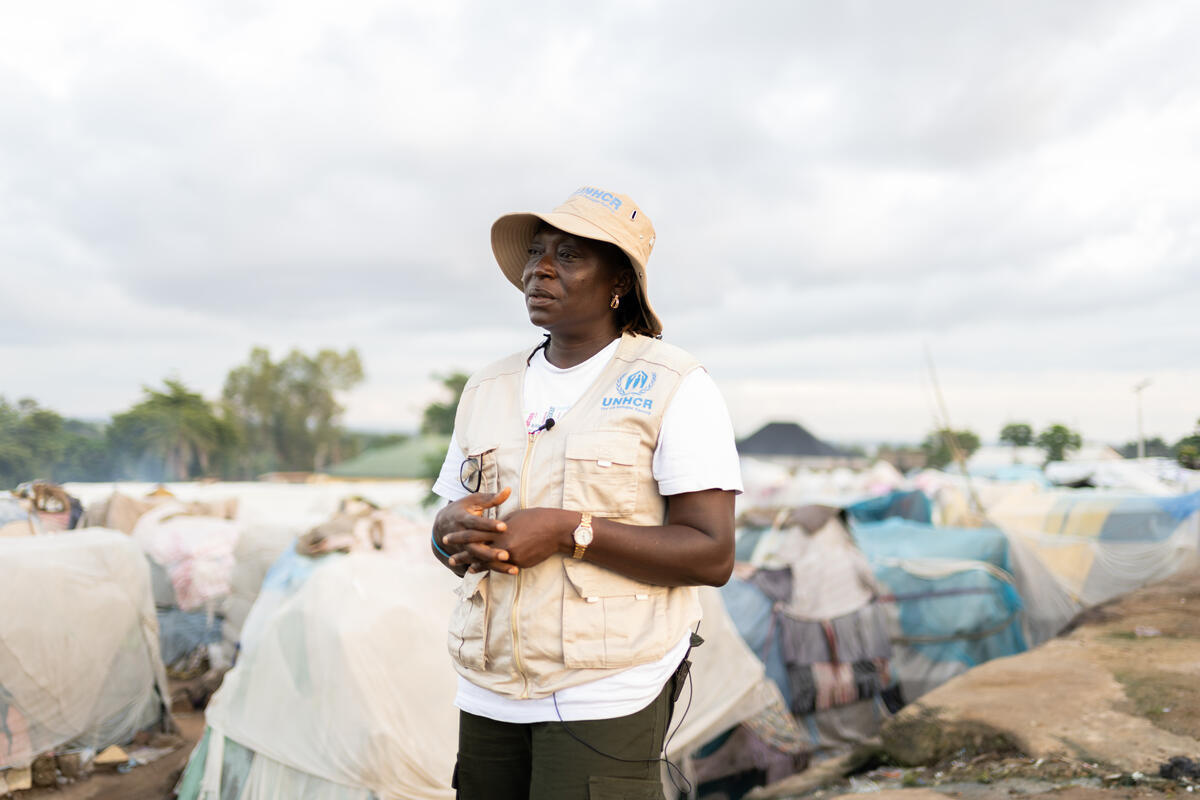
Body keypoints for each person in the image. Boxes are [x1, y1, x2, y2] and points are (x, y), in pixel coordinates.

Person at [430, 186, 742, 800]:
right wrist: (448, 532)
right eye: (537, 252)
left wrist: (568, 530)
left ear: (619, 282)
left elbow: (712, 553)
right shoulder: (487, 387)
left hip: (604, 690)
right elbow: (445, 530)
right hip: (487, 688)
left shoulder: (672, 384)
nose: (539, 268)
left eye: (569, 256)